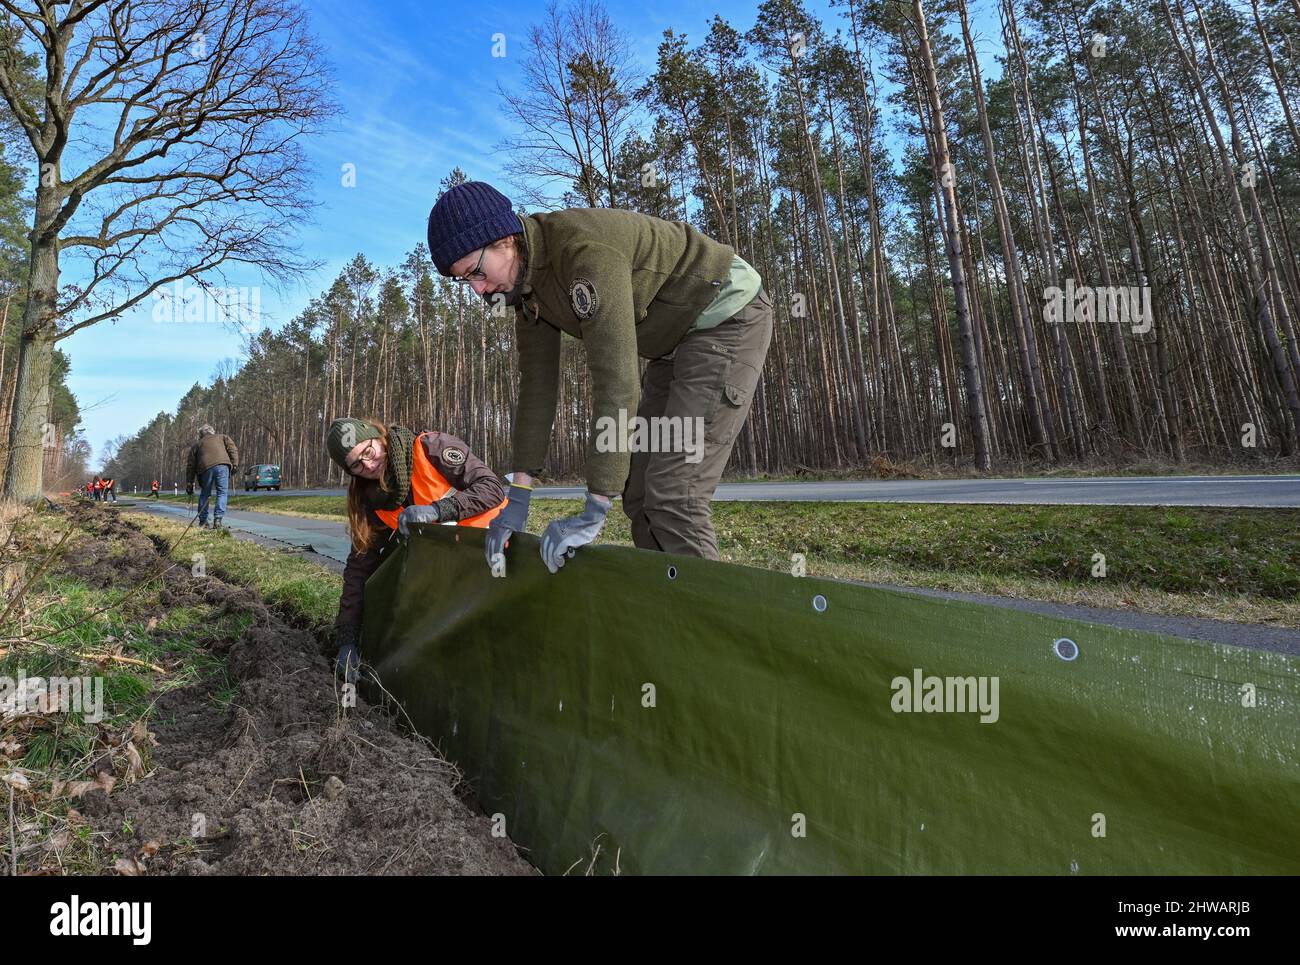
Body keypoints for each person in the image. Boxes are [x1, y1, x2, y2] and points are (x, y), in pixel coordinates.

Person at [426, 181, 773, 575]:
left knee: (674, 493)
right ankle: (667, 609)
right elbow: (537, 387)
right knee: (640, 494)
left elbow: (617, 380)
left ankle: (715, 628)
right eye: (464, 281)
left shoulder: (583, 252)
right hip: (672, 345)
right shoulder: (523, 290)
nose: (478, 290)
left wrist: (594, 507)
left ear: (505, 239)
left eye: (476, 272)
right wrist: (517, 498)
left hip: (724, 315)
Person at [325, 417, 506, 683]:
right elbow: (359, 566)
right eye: (356, 464)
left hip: (495, 551)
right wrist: (347, 638)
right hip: (449, 571)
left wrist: (437, 510)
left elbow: (492, 488)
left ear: (380, 438)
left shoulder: (431, 448)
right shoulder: (372, 499)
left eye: (368, 451)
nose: (368, 465)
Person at [184, 425, 239, 529]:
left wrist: (189, 483)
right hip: (223, 465)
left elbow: (191, 465)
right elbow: (233, 449)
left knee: (205, 493)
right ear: (212, 432)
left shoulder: (197, 445)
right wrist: (235, 464)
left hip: (205, 468)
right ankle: (218, 519)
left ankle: (203, 521)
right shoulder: (223, 437)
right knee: (222, 492)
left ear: (201, 435)